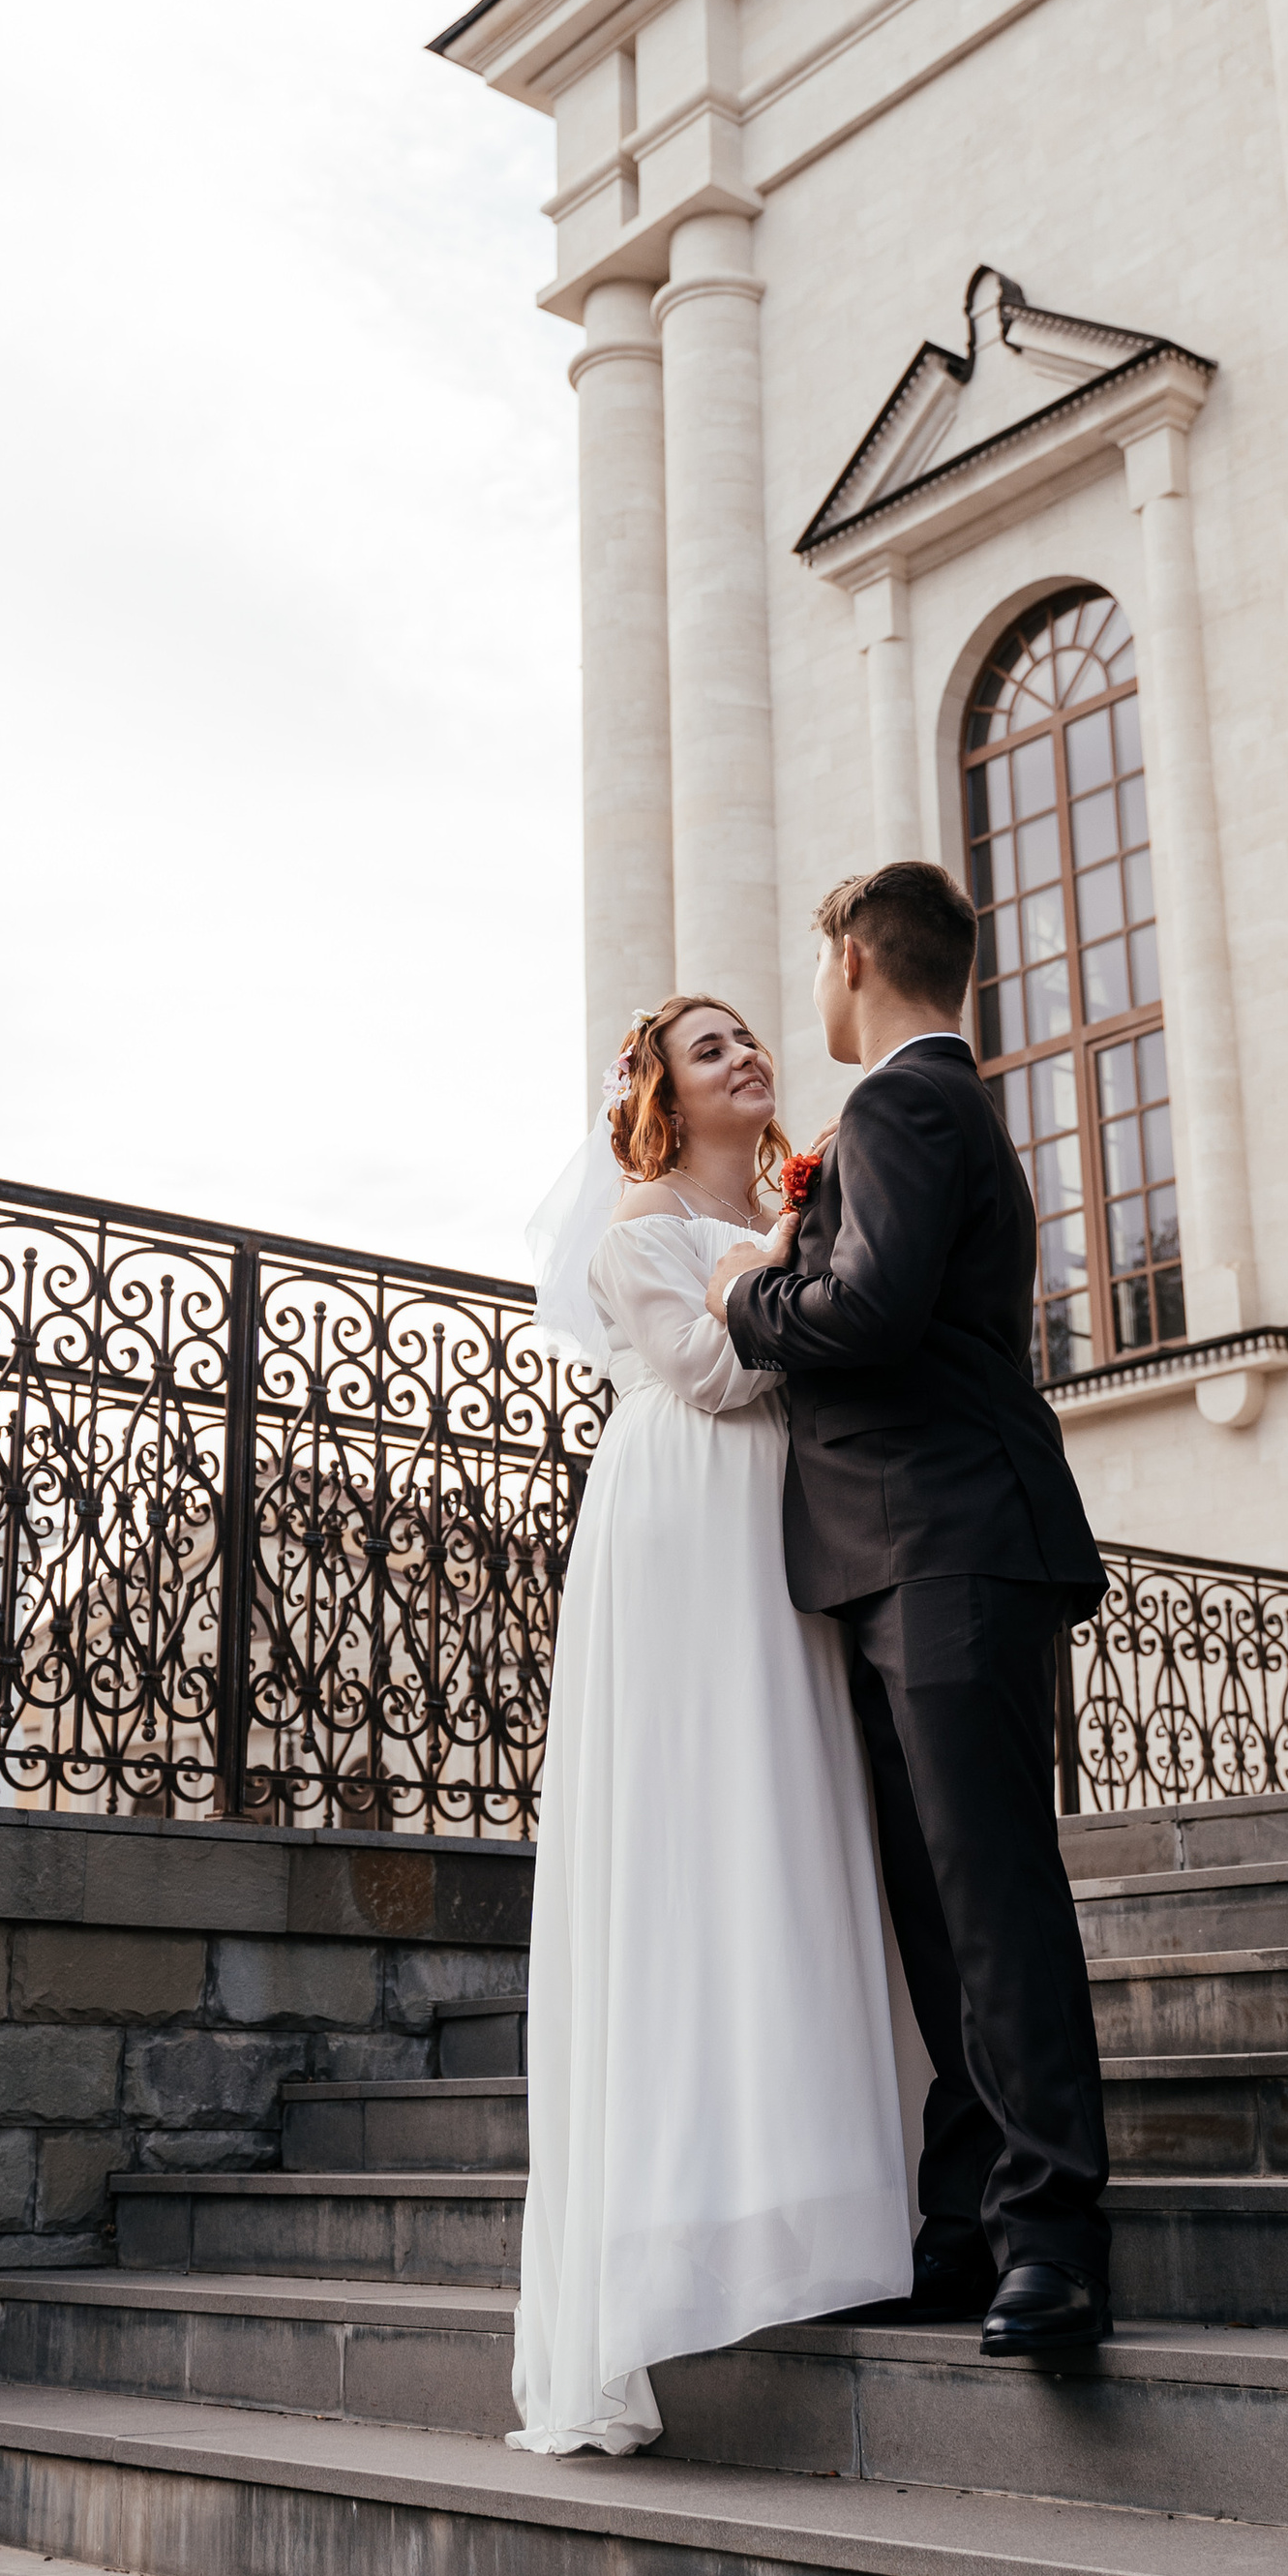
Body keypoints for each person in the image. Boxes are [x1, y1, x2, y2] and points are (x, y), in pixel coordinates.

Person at [708, 863, 1114, 2358]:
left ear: (856, 963)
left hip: (950, 1543)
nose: (809, 999)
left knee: (990, 1896)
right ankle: (962, 2228)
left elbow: (867, 1314)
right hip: (900, 1551)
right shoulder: (930, 1106)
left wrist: (744, 1302)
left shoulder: (902, 1104)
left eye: (815, 969)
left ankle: (1055, 2239)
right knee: (939, 1916)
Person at [510, 993, 917, 2458]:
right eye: (709, 1050)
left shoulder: (808, 1200)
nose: (746, 1057)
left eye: (751, 1038)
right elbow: (711, 1370)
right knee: (715, 1820)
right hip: (692, 1526)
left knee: (809, 1828)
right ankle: (696, 2232)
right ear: (664, 1100)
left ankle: (837, 2202)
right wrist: (783, 1274)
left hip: (796, 1521)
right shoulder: (640, 1229)